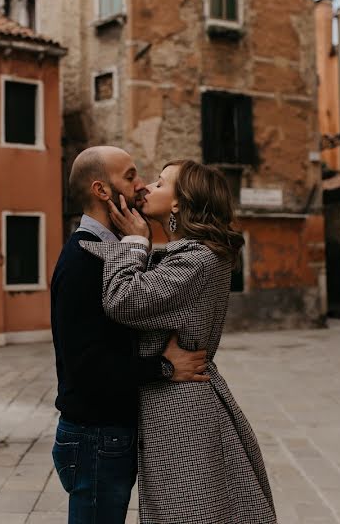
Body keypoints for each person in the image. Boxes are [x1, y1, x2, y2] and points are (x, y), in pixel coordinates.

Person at [81, 159, 278, 523]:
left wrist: (135, 240)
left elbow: (124, 300)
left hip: (182, 413)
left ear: (178, 203)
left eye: (160, 183)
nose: (147, 187)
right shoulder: (188, 255)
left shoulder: (197, 260)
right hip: (178, 400)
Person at [51, 146, 211, 523]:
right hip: (95, 435)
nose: (141, 186)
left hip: (107, 434)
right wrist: (164, 368)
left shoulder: (108, 252)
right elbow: (87, 366)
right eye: (130, 176)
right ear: (102, 191)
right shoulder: (82, 261)